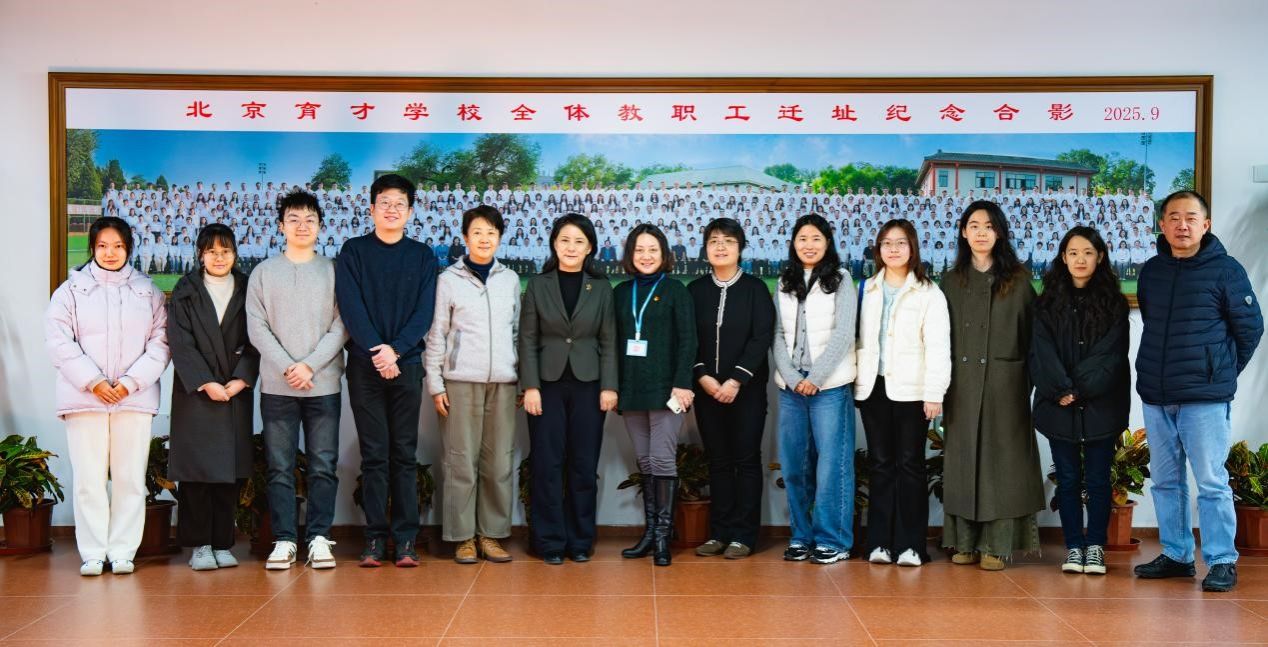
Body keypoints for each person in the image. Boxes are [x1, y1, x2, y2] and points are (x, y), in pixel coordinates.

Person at [1133, 190, 1263, 592]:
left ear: (1205, 225)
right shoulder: (1152, 271)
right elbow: (1152, 321)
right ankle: (1177, 555)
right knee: (1165, 481)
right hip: (1156, 394)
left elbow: (1250, 328)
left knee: (1211, 481)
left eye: (1191, 217)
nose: (1182, 225)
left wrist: (1219, 372)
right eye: (1174, 217)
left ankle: (1222, 560)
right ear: (1162, 225)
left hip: (1204, 398)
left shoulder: (1226, 270)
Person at [45, 216, 169, 576]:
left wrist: (130, 382)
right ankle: (93, 552)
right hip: (85, 398)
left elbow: (161, 343)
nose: (110, 253)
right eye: (102, 246)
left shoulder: (148, 291)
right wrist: (93, 381)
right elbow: (58, 342)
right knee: (89, 479)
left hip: (134, 398)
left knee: (130, 478)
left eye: (117, 246)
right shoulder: (70, 291)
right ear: (92, 248)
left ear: (128, 248)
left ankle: (123, 551)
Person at [336, 174, 438, 568]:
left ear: (410, 211)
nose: (392, 209)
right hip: (365, 367)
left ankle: (407, 539)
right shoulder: (354, 251)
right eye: (385, 202)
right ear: (371, 208)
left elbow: (424, 312)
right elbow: (351, 307)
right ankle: (375, 539)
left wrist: (395, 351)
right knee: (375, 455)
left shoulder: (423, 256)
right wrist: (378, 352)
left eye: (399, 204)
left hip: (407, 365)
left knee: (404, 454)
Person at [246, 190, 347, 571]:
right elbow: (256, 327)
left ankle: (319, 537)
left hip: (323, 385)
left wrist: (310, 366)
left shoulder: (334, 271)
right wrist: (289, 366)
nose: (302, 226)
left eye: (309, 220)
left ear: (320, 226)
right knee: (279, 467)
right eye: (294, 219)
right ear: (280, 226)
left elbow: (342, 325)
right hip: (277, 386)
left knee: (323, 465)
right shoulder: (263, 273)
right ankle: (285, 540)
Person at [940, 200, 1043, 571]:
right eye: (974, 225)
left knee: (1003, 464)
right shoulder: (950, 281)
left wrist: (1024, 383)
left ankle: (997, 546)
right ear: (963, 232)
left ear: (999, 233)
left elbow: (1035, 339)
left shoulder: (1019, 281)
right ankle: (964, 542)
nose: (981, 232)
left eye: (988, 226)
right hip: (961, 386)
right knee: (964, 460)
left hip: (1006, 386)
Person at [1029, 226, 1129, 576]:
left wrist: (1079, 389)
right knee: (1068, 479)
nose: (1080, 259)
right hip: (1059, 405)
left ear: (1099, 256)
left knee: (1099, 480)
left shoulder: (1114, 303)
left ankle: (1096, 547)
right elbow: (1041, 352)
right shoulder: (1046, 303)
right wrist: (1061, 389)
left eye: (1087, 252)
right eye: (1073, 253)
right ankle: (1074, 547)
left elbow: (1112, 355)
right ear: (1063, 257)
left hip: (1102, 405)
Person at [519, 213, 619, 565]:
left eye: (579, 241)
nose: (571, 247)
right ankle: (548, 541)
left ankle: (580, 540)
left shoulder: (602, 287)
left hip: (589, 386)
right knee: (546, 464)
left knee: (583, 464)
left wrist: (609, 386)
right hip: (545, 385)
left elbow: (609, 340)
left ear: (590, 247)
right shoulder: (538, 284)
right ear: (554, 244)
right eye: (564, 240)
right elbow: (527, 339)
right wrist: (530, 386)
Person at [425, 205, 521, 565]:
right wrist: (436, 384)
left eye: (491, 233)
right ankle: (462, 536)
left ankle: (490, 535)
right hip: (459, 382)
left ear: (500, 238)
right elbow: (437, 334)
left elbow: (517, 332)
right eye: (477, 232)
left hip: (503, 384)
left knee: (498, 462)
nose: (484, 239)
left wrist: (521, 378)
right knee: (460, 462)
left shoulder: (509, 279)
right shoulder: (448, 279)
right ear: (465, 237)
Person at [855, 218, 950, 568]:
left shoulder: (929, 292)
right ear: (878, 249)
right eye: (886, 243)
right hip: (873, 388)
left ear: (913, 248)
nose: (893, 249)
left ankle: (911, 545)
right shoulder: (866, 288)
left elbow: (938, 347)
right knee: (881, 465)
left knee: (910, 465)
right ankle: (879, 542)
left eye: (901, 243)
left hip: (913, 391)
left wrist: (934, 393)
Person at [168, 224, 259, 571]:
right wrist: (206, 382)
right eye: (211, 252)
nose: (219, 258)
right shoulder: (186, 289)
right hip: (197, 391)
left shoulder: (249, 288)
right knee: (197, 472)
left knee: (228, 471)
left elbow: (258, 337)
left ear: (235, 254)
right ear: (200, 255)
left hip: (235, 389)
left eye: (226, 251)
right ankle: (200, 545)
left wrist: (242, 379)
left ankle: (222, 542)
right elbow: (180, 342)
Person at [772, 214, 858, 565]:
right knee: (795, 467)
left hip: (830, 386)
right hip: (791, 387)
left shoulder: (842, 279)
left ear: (827, 244)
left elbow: (844, 333)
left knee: (831, 468)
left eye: (816, 239)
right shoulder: (784, 281)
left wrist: (816, 377)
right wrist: (793, 378)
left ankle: (833, 540)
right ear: (793, 243)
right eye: (802, 239)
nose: (808, 245)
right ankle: (801, 537)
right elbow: (777, 334)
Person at [688, 218, 775, 560]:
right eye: (713, 241)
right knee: (718, 461)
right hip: (707, 390)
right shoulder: (695, 290)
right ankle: (719, 533)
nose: (720, 247)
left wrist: (736, 379)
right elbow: (688, 339)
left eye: (728, 241)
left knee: (746, 460)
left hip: (746, 390)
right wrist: (703, 376)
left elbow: (762, 337)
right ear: (705, 248)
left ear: (741, 248)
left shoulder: (755, 289)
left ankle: (744, 535)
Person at [614, 223, 697, 566]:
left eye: (652, 250)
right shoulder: (621, 292)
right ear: (630, 255)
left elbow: (688, 340)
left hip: (668, 390)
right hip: (632, 389)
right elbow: (612, 343)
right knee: (645, 461)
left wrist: (683, 382)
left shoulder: (676, 290)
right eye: (639, 250)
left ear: (664, 254)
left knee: (662, 460)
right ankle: (650, 533)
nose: (646, 256)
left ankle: (663, 538)